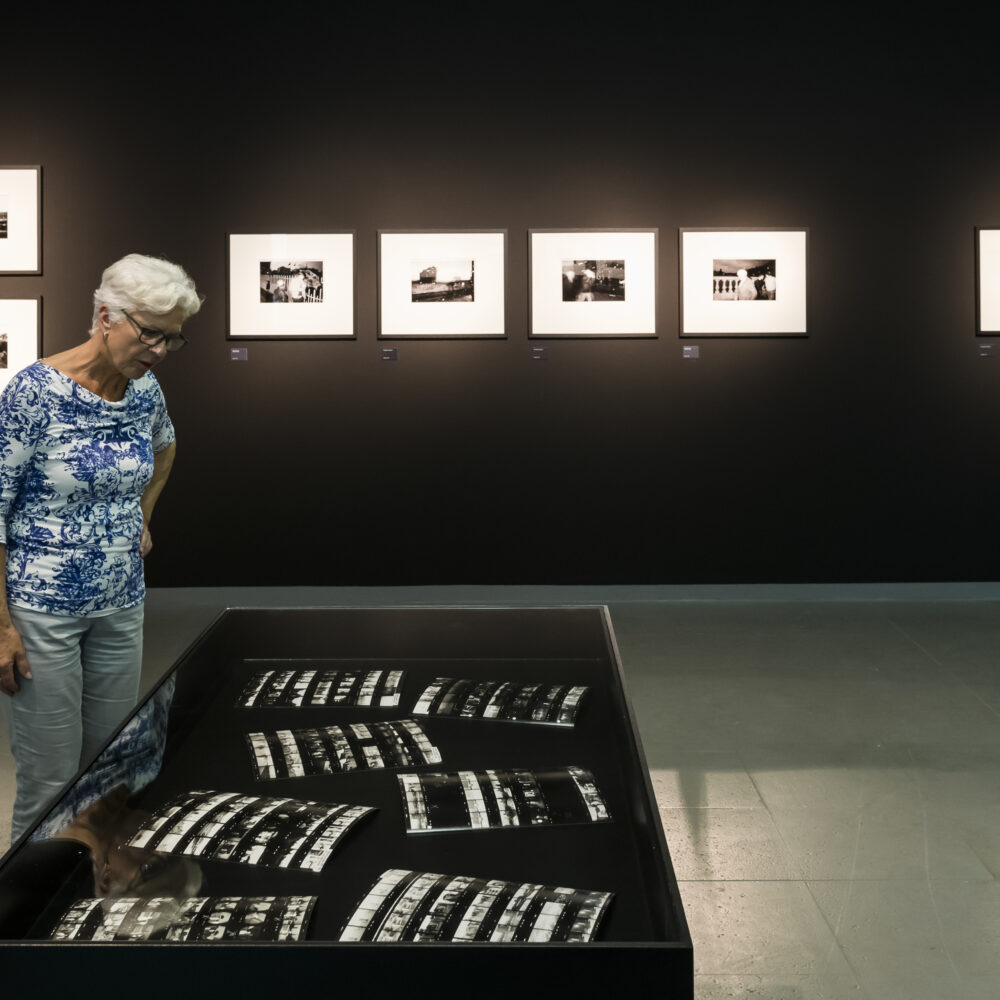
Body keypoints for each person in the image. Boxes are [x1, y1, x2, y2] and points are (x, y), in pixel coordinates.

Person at [0, 252, 202, 842]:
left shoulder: (143, 390)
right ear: (105, 315)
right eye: (151, 334)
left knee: (110, 766)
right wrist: (0, 626)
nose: (160, 351)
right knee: (50, 779)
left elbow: (164, 447)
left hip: (121, 601)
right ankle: (24, 922)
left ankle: (86, 909)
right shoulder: (34, 393)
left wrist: (141, 515)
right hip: (43, 611)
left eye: (172, 340)